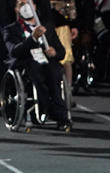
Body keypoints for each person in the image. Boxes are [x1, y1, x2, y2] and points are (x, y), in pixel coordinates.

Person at [2, 0, 71, 130]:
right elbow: (14, 51)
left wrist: (54, 52)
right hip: (27, 63)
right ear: (16, 9)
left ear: (35, 6)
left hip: (46, 61)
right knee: (36, 72)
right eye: (21, 4)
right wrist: (32, 39)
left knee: (55, 72)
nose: (26, 7)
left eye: (28, 3)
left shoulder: (47, 27)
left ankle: (60, 114)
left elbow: (61, 52)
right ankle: (44, 109)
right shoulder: (10, 29)